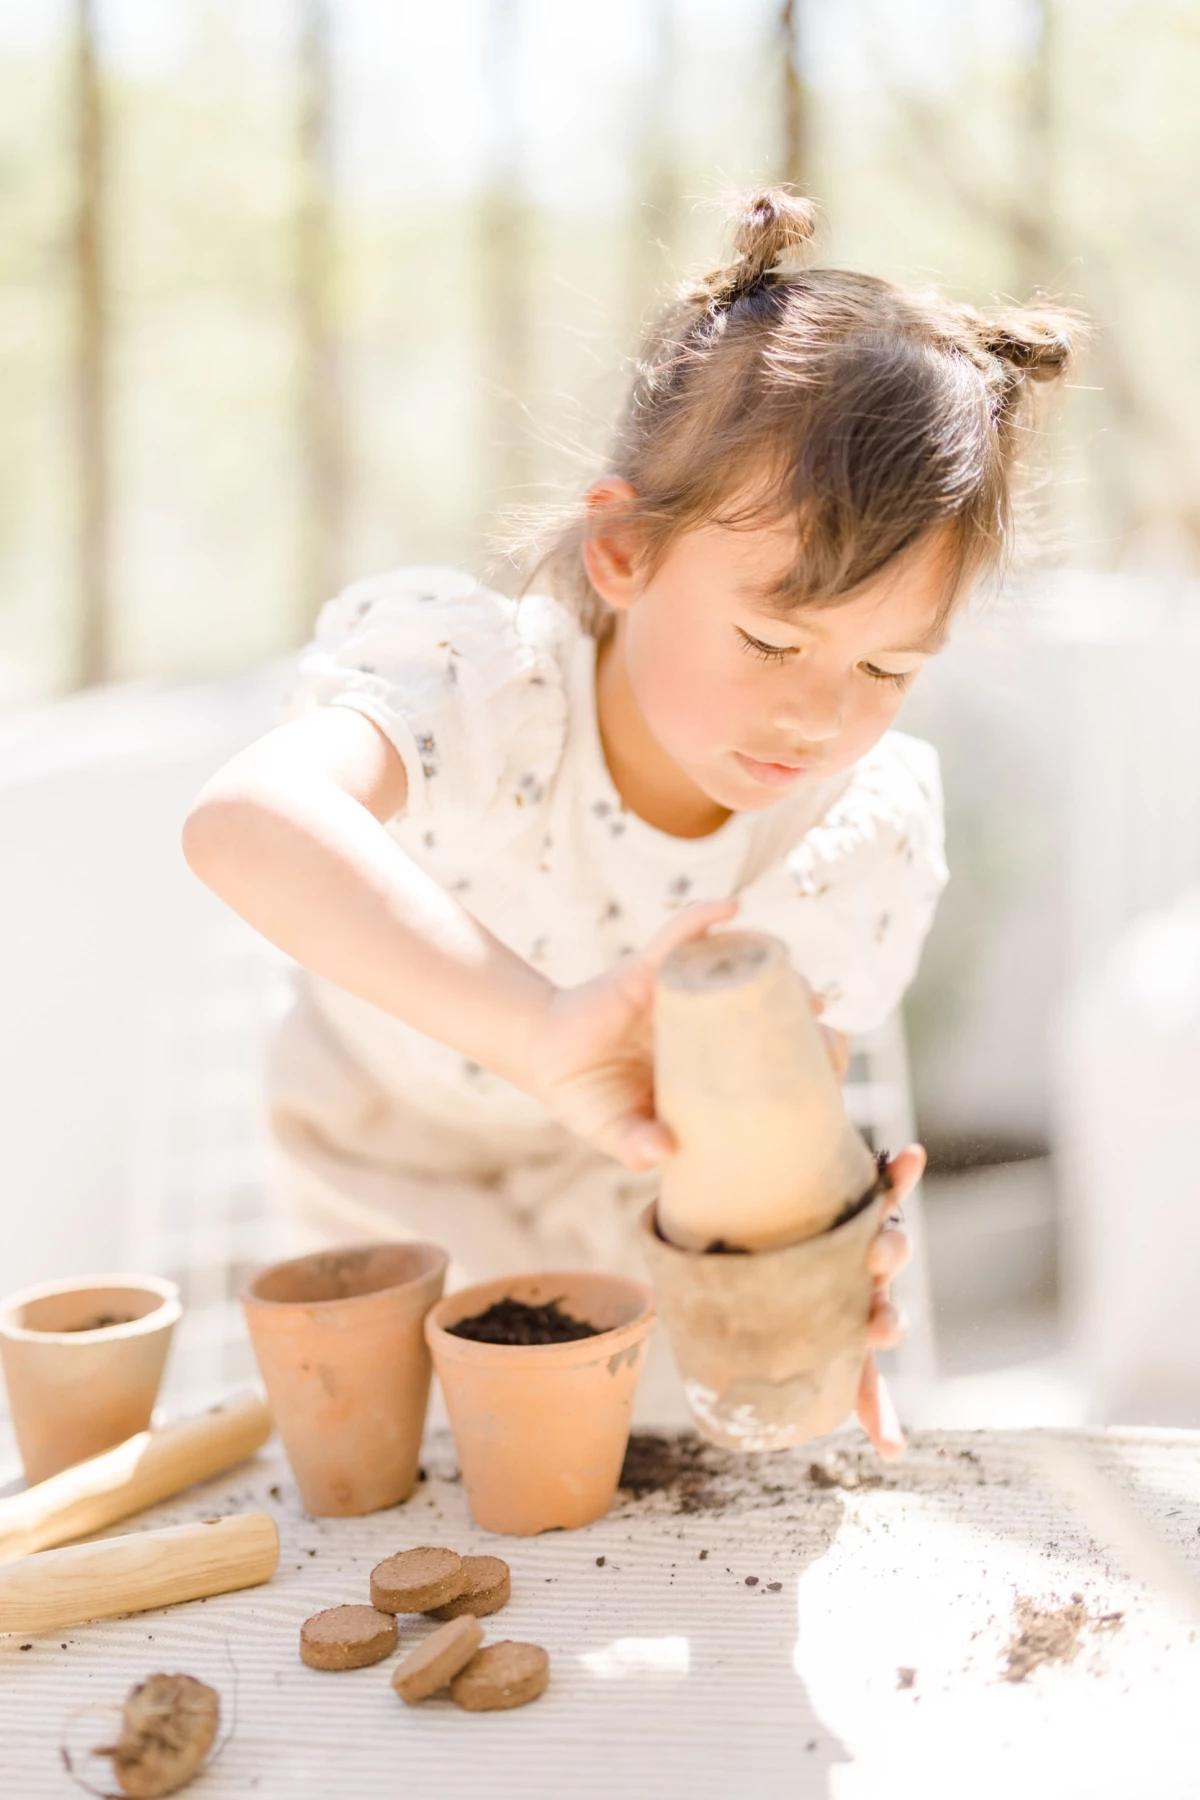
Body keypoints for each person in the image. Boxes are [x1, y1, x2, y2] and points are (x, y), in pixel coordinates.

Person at [183, 189, 1079, 1453]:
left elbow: (751, 1114)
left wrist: (800, 1247)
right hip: (379, 1157)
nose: (820, 715)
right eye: (773, 637)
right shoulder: (483, 687)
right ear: (623, 551)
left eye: (887, 670)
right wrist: (542, 1030)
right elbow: (244, 821)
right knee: (402, 1501)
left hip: (625, 1184)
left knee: (667, 1496)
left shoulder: (853, 828)